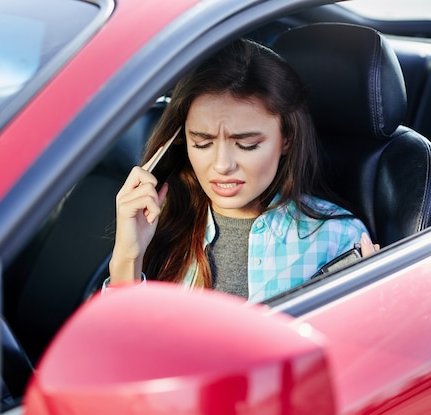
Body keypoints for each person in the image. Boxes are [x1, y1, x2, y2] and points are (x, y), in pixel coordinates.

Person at [106, 38, 378, 303]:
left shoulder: (339, 238)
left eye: (247, 145)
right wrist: (128, 259)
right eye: (202, 143)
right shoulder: (157, 222)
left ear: (287, 139)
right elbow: (115, 345)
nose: (223, 165)